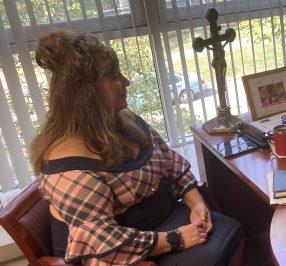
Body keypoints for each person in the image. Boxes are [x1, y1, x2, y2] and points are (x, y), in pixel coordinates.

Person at [30, 29, 242, 265]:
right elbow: (104, 243)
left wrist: (196, 203)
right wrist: (176, 239)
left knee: (231, 230)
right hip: (119, 250)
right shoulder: (67, 167)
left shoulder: (122, 118)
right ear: (86, 94)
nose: (126, 81)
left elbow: (169, 163)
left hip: (163, 220)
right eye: (113, 77)